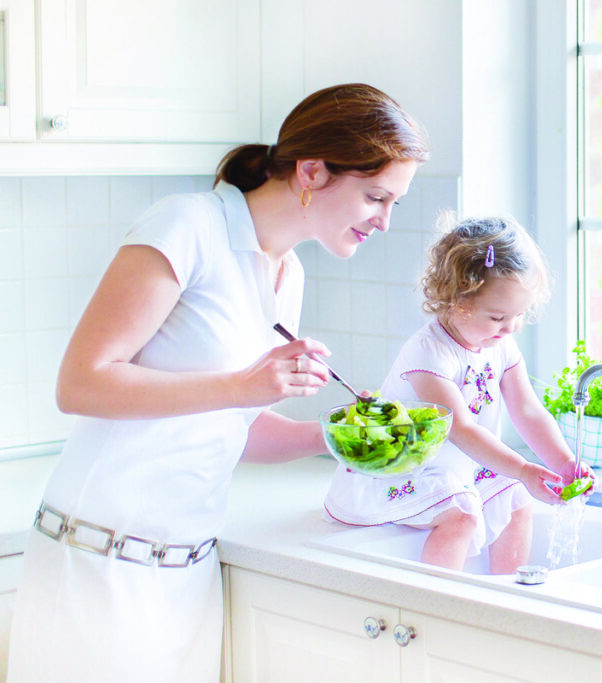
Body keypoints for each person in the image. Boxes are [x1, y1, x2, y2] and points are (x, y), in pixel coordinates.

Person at [7, 83, 429, 683]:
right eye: (375, 197)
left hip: (188, 577)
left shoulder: (289, 273)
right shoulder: (187, 225)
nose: (384, 221)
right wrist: (241, 385)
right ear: (311, 172)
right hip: (96, 568)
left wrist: (344, 439)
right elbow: (80, 383)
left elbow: (238, 426)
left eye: (395, 204)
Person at [324, 215, 596, 573]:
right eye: (498, 316)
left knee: (516, 500)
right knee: (462, 517)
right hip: (409, 473)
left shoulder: (502, 345)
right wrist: (523, 468)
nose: (511, 327)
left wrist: (562, 461)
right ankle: (439, 606)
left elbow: (528, 411)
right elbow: (461, 428)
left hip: (460, 469)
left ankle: (502, 602)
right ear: (456, 300)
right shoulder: (428, 353)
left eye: (520, 314)